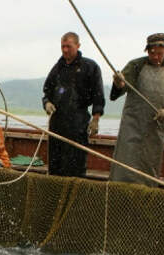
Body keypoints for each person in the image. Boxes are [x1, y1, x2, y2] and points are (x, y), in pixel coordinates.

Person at [109, 33, 164, 187]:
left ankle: (145, 203)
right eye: (152, 53)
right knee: (125, 168)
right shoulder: (135, 65)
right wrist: (118, 82)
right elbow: (121, 88)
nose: (156, 57)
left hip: (155, 129)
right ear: (147, 51)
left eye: (160, 54)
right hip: (132, 127)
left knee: (150, 170)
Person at [42, 32, 105, 177]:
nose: (65, 50)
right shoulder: (57, 68)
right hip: (56, 123)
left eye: (68, 46)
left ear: (78, 46)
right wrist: (47, 103)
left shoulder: (90, 67)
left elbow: (98, 96)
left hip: (78, 123)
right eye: (62, 46)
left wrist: (95, 119)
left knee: (75, 165)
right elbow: (46, 92)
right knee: (55, 165)